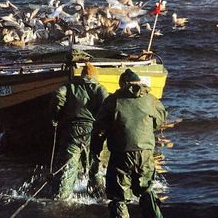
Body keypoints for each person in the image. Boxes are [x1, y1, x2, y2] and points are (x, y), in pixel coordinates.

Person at [91, 69, 167, 218]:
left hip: (121, 152)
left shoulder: (113, 100)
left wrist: (96, 148)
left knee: (118, 196)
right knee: (146, 189)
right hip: (145, 151)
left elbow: (100, 128)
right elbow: (160, 119)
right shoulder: (151, 99)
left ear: (122, 84)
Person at [49, 62, 109, 200]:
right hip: (92, 132)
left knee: (68, 166)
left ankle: (62, 198)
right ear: (95, 76)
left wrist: (56, 116)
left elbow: (58, 95)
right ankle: (98, 196)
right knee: (95, 165)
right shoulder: (99, 89)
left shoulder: (69, 86)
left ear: (82, 74)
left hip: (72, 131)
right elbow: (108, 107)